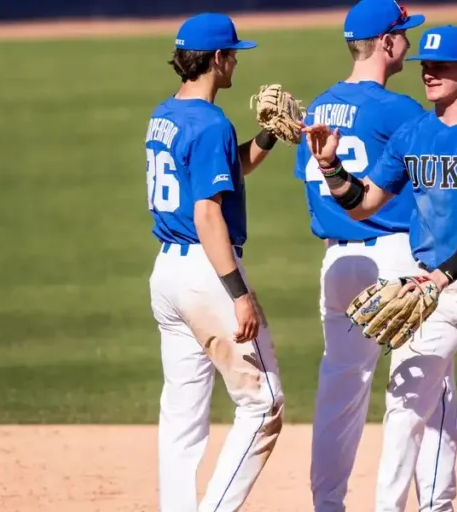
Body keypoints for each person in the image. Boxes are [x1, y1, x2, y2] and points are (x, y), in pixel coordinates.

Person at [302, 24, 457, 512]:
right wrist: (332, 168)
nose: (429, 74)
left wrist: (442, 275)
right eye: (424, 66)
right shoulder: (413, 132)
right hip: (433, 290)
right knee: (404, 405)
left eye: (441, 66)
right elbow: (364, 203)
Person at [293, 1, 457, 510]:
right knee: (425, 391)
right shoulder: (400, 110)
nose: (409, 43)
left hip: (338, 264)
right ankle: (423, 504)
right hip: (394, 258)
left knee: (339, 392)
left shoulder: (317, 109)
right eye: (404, 35)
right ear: (386, 43)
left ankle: (327, 504)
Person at [146, 12, 284, 512]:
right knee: (263, 405)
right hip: (207, 275)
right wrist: (239, 294)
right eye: (234, 55)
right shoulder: (211, 123)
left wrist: (265, 137)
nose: (236, 64)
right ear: (218, 59)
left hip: (167, 275)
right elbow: (208, 212)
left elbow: (226, 172)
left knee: (182, 413)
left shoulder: (166, 113)